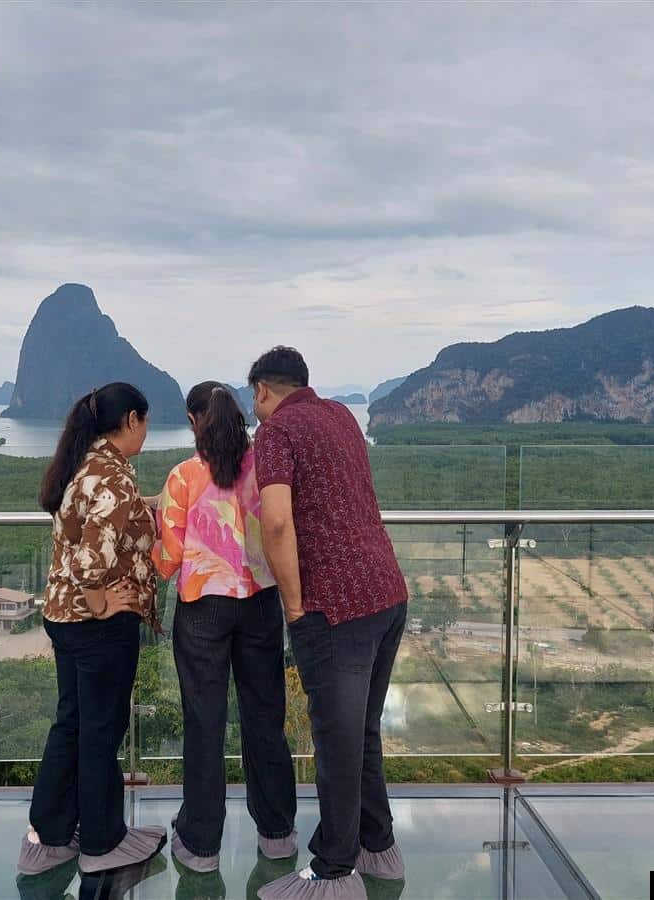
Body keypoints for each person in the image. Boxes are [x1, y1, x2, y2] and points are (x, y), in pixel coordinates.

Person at [248, 348, 409, 900]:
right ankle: (378, 848)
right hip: (387, 593)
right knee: (360, 732)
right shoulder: (342, 415)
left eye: (255, 400)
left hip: (335, 609)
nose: (256, 409)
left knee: (337, 740)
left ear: (264, 391)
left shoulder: (275, 430)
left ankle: (335, 871)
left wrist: (294, 605)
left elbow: (275, 523)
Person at [19, 382, 167, 877]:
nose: (146, 432)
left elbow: (98, 523)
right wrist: (103, 603)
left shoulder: (88, 466)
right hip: (96, 626)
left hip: (62, 617)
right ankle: (103, 841)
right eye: (145, 422)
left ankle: (51, 832)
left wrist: (148, 504)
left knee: (73, 723)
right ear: (130, 420)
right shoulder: (114, 481)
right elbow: (90, 560)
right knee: (102, 730)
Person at [153, 381, 298, 874]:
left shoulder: (183, 476)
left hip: (203, 610)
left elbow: (169, 560)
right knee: (264, 719)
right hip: (260, 604)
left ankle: (200, 845)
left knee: (205, 723)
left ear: (195, 422)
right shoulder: (265, 469)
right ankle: (277, 833)